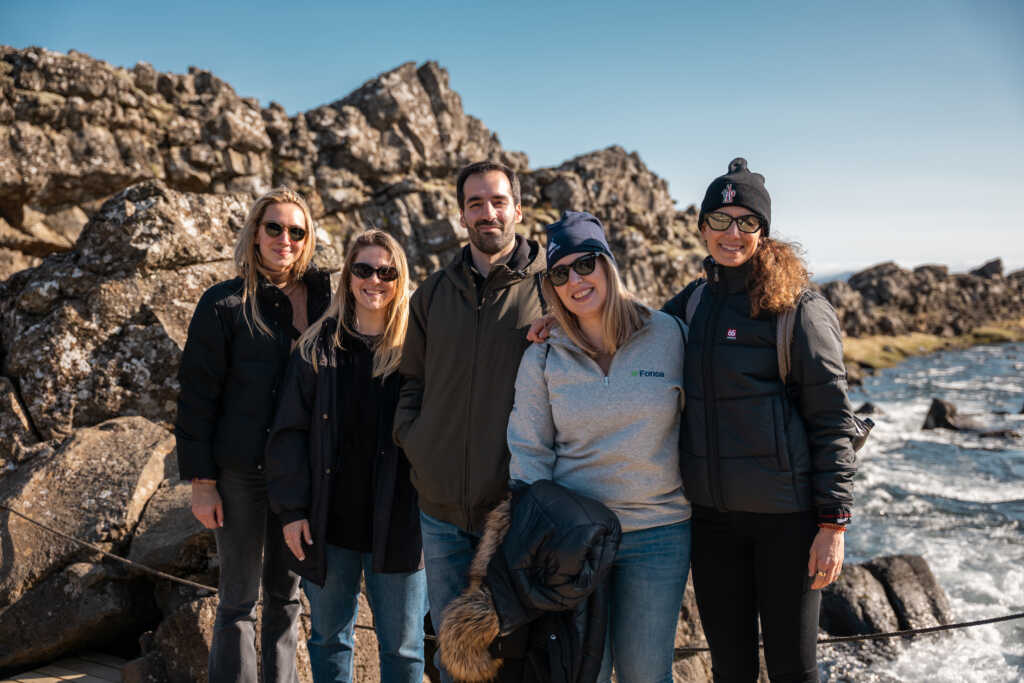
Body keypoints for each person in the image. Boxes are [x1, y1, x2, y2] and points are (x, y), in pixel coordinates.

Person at [662, 158, 858, 682]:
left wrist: (832, 524)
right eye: (721, 219)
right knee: (731, 670)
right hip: (711, 523)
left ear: (763, 232)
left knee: (794, 669)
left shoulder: (799, 308)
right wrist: (559, 320)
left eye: (747, 221)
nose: (733, 233)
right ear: (702, 227)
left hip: (787, 526)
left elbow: (832, 421)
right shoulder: (694, 303)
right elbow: (626, 328)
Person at [507, 211, 691, 683]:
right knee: (579, 674)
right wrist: (537, 543)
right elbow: (529, 453)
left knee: (645, 674)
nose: (575, 280)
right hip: (575, 542)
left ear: (607, 263)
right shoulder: (543, 353)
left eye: (585, 264)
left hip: (659, 533)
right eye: (560, 273)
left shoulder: (668, 334)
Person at [392, 160, 546, 682]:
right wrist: (417, 443)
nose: (488, 213)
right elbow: (411, 382)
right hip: (440, 512)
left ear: (517, 209)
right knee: (452, 661)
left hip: (515, 514)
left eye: (498, 201)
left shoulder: (551, 287)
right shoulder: (433, 294)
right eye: (476, 203)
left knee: (517, 654)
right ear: (461, 216)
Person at [175, 187, 331, 682]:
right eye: (275, 228)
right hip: (239, 473)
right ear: (256, 234)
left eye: (296, 231)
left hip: (299, 478)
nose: (285, 239)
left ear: (307, 239)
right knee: (237, 600)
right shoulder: (223, 303)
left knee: (287, 598)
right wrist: (202, 482)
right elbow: (197, 397)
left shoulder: (328, 298)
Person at [264, 229, 428, 683]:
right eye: (363, 270)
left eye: (386, 271)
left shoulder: (419, 350)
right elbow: (289, 435)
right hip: (326, 524)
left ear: (400, 279)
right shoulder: (317, 347)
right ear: (347, 277)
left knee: (404, 649)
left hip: (401, 523)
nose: (374, 280)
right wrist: (292, 512)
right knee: (329, 640)